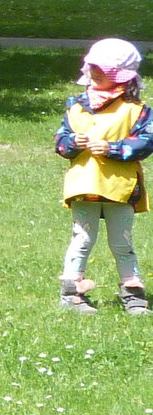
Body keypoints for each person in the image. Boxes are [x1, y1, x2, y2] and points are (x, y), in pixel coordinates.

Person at [54, 37, 153, 312]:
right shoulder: (76, 105)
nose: (95, 73)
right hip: (84, 185)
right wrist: (72, 142)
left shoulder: (136, 110)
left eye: (104, 70)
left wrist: (114, 148)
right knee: (82, 239)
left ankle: (133, 294)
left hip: (119, 187)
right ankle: (72, 292)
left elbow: (146, 143)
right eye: (93, 67)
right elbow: (60, 142)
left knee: (122, 242)